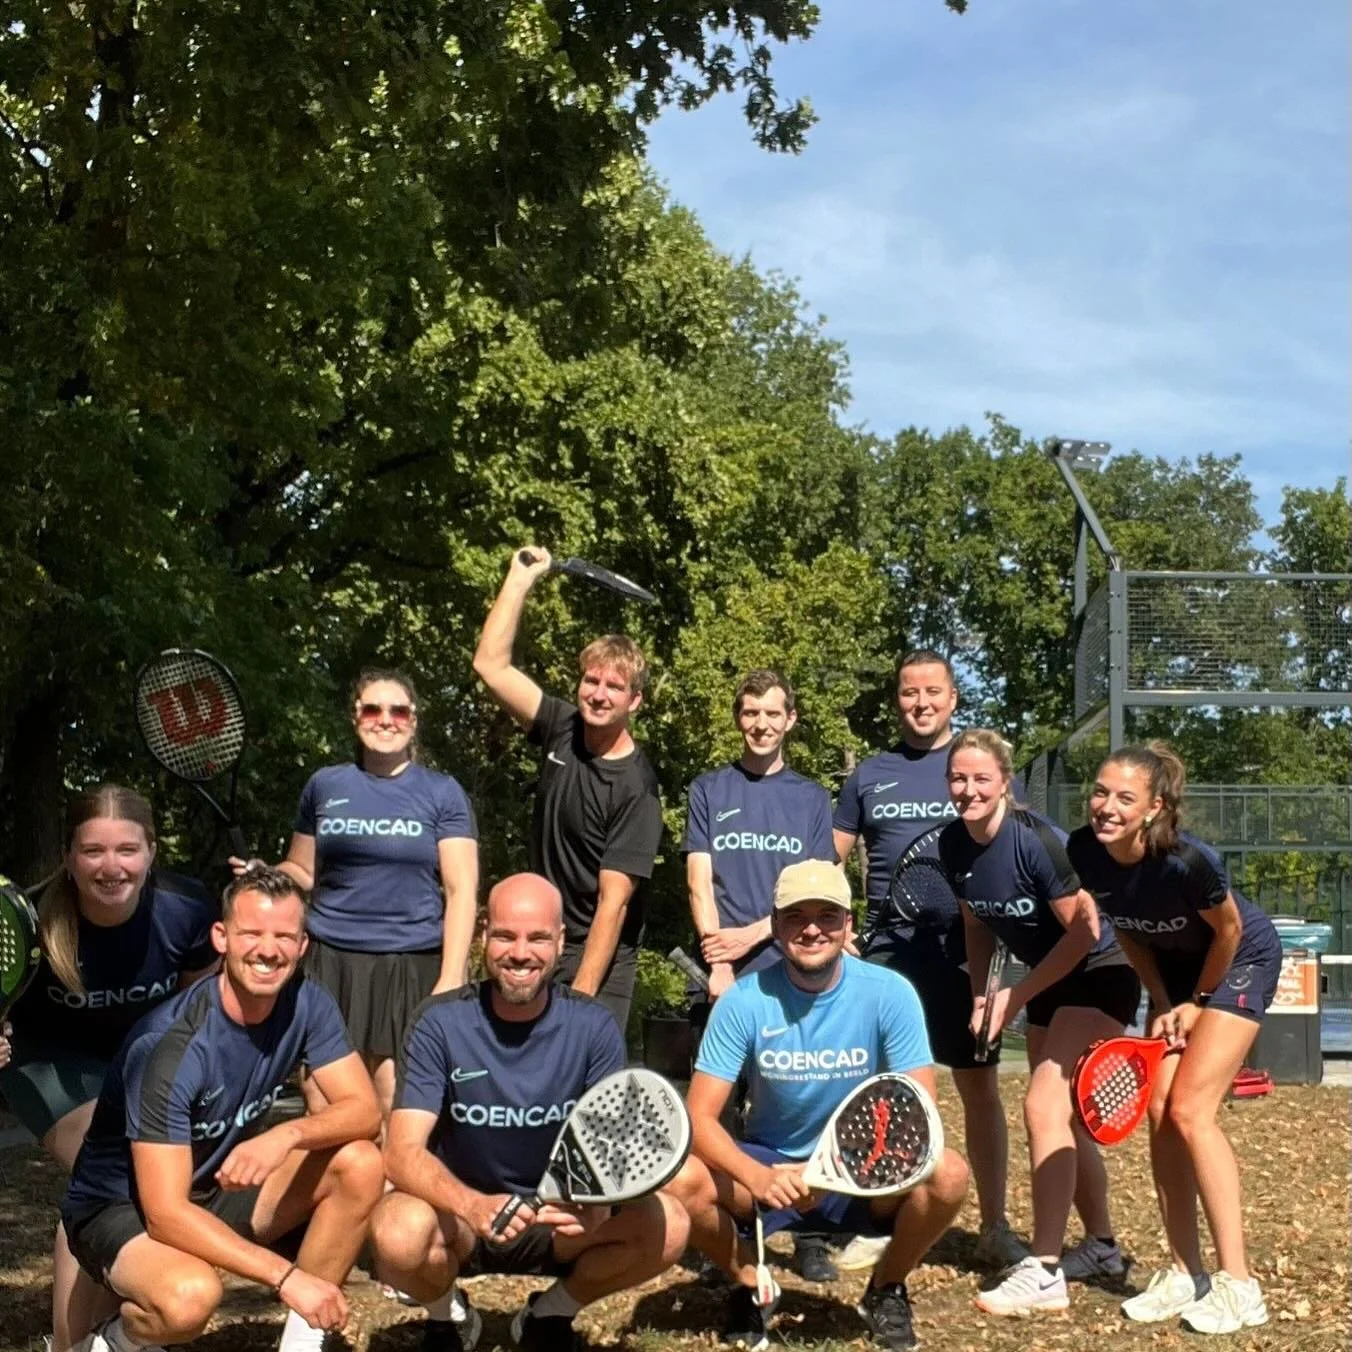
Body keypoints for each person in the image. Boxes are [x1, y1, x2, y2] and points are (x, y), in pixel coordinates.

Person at [59, 865, 385, 1352]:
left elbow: (365, 1111)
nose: (268, 950)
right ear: (221, 937)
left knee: (360, 1162)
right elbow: (166, 1213)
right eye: (251, 932)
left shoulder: (307, 1004)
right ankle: (104, 1346)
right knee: (189, 1297)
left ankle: (302, 1343)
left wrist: (286, 1135)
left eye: (284, 936)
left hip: (210, 1186)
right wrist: (286, 1276)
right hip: (121, 1207)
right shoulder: (170, 1045)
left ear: (303, 946)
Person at [371, 872, 689, 1352]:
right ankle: (448, 1315)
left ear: (560, 942)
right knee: (395, 1231)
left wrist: (598, 1206)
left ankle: (549, 1314)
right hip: (462, 1219)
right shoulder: (440, 1021)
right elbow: (401, 1153)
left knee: (671, 1225)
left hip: (556, 1218)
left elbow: (617, 1149)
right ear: (484, 936)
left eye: (538, 937)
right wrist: (472, 1205)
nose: (521, 953)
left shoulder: (593, 1026)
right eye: (505, 935)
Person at [666, 859, 971, 1352]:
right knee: (680, 1179)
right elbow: (698, 1119)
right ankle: (751, 1282)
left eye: (827, 916)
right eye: (796, 916)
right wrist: (759, 1175)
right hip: (770, 1172)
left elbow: (919, 1114)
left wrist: (833, 1169)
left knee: (948, 1173)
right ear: (777, 925)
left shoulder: (889, 993)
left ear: (848, 924)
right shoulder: (744, 1001)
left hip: (862, 1168)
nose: (812, 929)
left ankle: (887, 1287)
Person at [1066, 742, 1282, 1336]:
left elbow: (1231, 931)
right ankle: (1187, 1273)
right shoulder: (1085, 851)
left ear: (1154, 807)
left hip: (1240, 959)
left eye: (1124, 798)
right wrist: (1163, 1001)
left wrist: (1200, 1002)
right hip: (1178, 977)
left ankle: (1241, 1287)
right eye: (1101, 791)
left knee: (1190, 1110)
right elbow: (1130, 933)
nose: (1106, 806)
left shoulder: (1189, 861)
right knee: (1160, 1110)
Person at [0, 786, 218, 1352]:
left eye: (127, 849)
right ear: (69, 858)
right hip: (49, 1065)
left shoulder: (188, 909)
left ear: (151, 853)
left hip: (140, 1067)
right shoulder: (28, 923)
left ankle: (106, 1336)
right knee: (116, 1173)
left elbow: (200, 1016)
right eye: (93, 850)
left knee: (149, 1183)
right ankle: (72, 1344)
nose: (111, 866)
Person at [937, 730, 1141, 1315]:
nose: (968, 789)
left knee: (1042, 1107)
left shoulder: (1036, 843)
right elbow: (978, 925)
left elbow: (1086, 931)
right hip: (1053, 980)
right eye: (958, 778)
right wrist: (983, 994)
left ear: (1005, 782)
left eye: (981, 778)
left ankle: (1045, 1269)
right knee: (1066, 1121)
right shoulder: (955, 846)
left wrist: (1016, 995)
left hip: (1100, 973)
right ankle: (1101, 1247)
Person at [832, 651, 1022, 1273]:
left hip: (967, 956)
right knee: (884, 1091)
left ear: (953, 698)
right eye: (909, 692)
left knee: (979, 1088)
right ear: (898, 700)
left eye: (933, 692)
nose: (921, 702)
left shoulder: (974, 764)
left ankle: (994, 1226)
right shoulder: (869, 774)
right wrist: (838, 927)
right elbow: (828, 858)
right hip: (889, 955)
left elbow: (1012, 847)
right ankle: (882, 1218)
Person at [233, 668, 479, 1121]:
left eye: (398, 710)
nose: (385, 719)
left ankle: (389, 1191)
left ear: (413, 720)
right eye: (372, 708)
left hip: (408, 963)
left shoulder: (442, 793)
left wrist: (452, 976)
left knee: (393, 1101)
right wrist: (267, 872)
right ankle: (339, 1190)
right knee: (325, 1102)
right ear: (355, 717)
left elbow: (461, 890)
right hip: (331, 960)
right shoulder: (326, 785)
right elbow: (302, 870)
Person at [683, 668, 837, 1282]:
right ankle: (728, 1231)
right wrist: (719, 963)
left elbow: (821, 892)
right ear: (739, 717)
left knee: (799, 1098)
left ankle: (811, 1230)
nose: (761, 724)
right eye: (751, 713)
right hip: (726, 976)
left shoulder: (810, 798)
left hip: (793, 964)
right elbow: (699, 880)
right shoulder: (709, 789)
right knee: (722, 1110)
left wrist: (756, 934)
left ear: (790, 720)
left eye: (773, 713)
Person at [472, 548, 664, 1031]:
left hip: (597, 951)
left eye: (614, 687)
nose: (598, 694)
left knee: (580, 1080)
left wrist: (579, 998)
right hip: (537, 937)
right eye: (591, 680)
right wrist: (520, 578)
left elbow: (612, 907)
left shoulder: (637, 790)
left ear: (634, 700)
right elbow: (491, 666)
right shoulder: (562, 725)